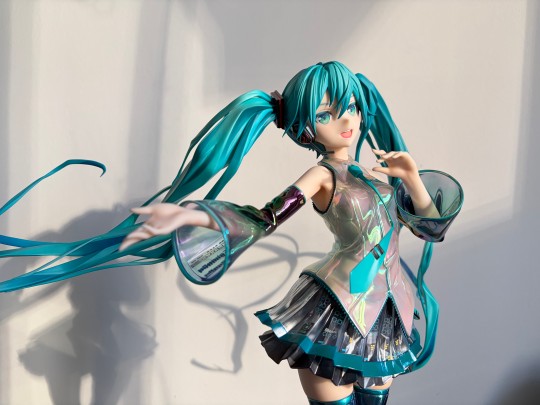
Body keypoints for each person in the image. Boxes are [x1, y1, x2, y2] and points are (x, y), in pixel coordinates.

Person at [0, 61, 462, 404]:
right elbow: (265, 217)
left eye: (352, 108)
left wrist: (412, 177)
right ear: (305, 129)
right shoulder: (322, 177)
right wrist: (192, 216)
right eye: (328, 114)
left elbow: (429, 228)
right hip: (338, 311)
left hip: (388, 312)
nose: (347, 121)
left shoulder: (380, 178)